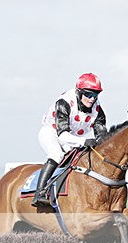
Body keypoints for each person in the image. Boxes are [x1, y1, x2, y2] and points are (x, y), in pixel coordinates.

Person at [32, 72, 108, 207]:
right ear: (79, 92)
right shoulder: (64, 102)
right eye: (88, 94)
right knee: (57, 154)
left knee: (80, 160)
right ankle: (40, 193)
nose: (92, 99)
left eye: (95, 95)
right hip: (52, 132)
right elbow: (62, 136)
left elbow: (102, 136)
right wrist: (85, 141)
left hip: (73, 137)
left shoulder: (97, 109)